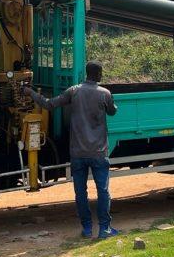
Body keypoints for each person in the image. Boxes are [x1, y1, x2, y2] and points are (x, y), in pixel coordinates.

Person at [23, 61, 119, 239]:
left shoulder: (73, 91)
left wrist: (31, 93)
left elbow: (49, 104)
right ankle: (104, 229)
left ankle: (87, 228)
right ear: (98, 75)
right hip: (98, 152)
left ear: (86, 73)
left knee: (80, 192)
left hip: (77, 152)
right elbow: (112, 112)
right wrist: (114, 105)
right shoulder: (104, 93)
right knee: (103, 191)